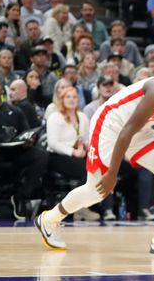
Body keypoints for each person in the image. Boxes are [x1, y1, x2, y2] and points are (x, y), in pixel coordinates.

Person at [34, 51, 154, 255]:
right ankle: (49, 219)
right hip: (110, 124)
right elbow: (126, 130)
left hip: (137, 130)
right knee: (95, 191)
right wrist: (112, 173)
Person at [0, 76, 49, 220]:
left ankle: (21, 196)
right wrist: (2, 137)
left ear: (2, 88)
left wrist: (29, 140)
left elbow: (26, 131)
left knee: (41, 155)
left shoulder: (15, 110)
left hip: (13, 150)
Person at [45, 86, 99, 221]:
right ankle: (79, 208)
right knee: (85, 170)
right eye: (68, 97)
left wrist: (86, 145)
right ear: (61, 99)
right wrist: (72, 152)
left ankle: (89, 205)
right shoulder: (55, 117)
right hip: (58, 156)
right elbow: (52, 143)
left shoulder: (82, 117)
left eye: (74, 97)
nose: (72, 100)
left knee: (97, 167)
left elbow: (86, 138)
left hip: (79, 154)